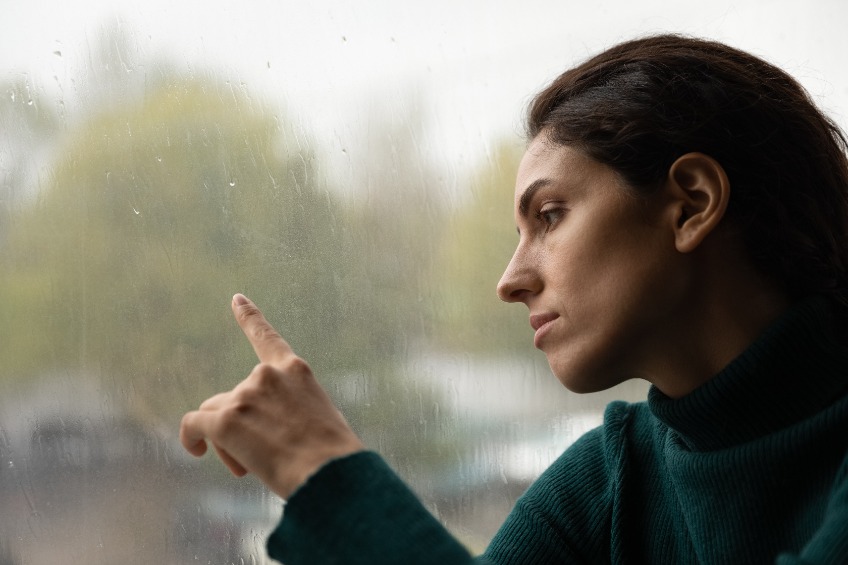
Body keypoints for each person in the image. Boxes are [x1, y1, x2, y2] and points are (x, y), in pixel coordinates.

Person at [179, 34, 848, 564]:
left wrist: (318, 468)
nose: (509, 279)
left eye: (550, 215)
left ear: (691, 204)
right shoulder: (611, 476)